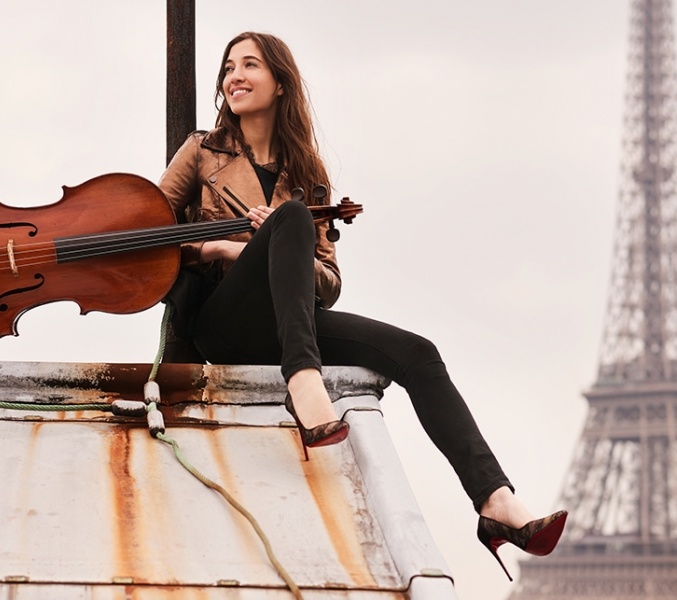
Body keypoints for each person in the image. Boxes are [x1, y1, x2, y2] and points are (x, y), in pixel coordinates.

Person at [156, 31, 566, 580]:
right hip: (222, 322)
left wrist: (283, 243)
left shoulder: (307, 174)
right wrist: (225, 246)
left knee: (419, 353)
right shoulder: (201, 151)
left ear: (280, 83)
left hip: (288, 322)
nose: (235, 76)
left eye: (250, 64)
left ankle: (495, 502)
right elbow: (148, 236)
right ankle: (305, 384)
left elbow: (327, 281)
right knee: (293, 218)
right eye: (229, 66)